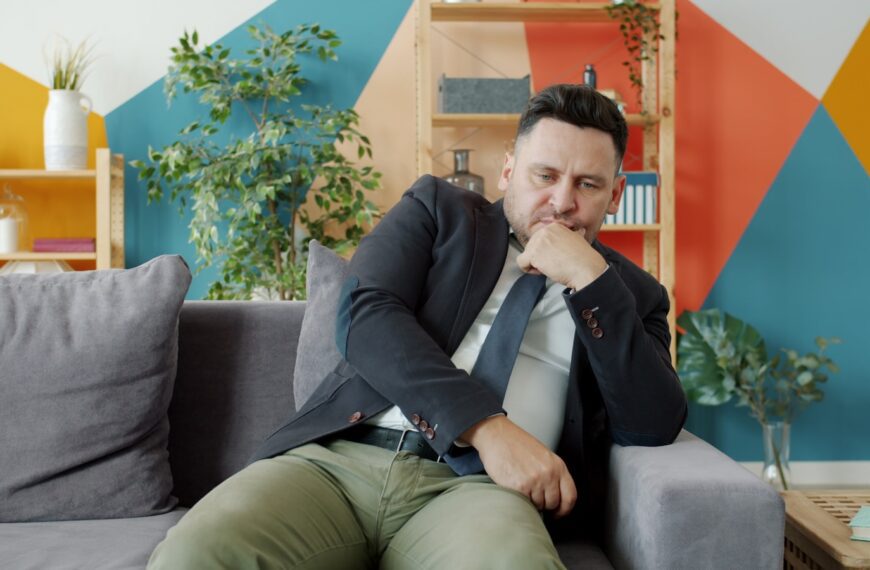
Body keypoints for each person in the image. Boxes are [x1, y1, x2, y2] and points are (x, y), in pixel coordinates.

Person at [148, 84, 687, 569]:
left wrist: (591, 280)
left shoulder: (631, 296)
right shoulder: (438, 209)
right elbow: (366, 315)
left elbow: (651, 423)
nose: (562, 202)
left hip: (480, 495)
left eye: (588, 185)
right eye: (544, 176)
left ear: (614, 196)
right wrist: (488, 428)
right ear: (508, 171)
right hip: (339, 462)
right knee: (195, 554)